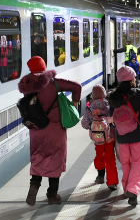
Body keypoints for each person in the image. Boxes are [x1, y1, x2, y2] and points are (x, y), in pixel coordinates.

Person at [18, 56, 82, 206]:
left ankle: (34, 187)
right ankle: (52, 195)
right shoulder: (53, 83)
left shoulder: (27, 86)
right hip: (55, 128)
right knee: (55, 158)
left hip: (36, 128)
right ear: (44, 66)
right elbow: (77, 87)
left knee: (38, 156)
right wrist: (75, 103)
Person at [108, 66, 140, 206]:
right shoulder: (137, 94)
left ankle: (126, 188)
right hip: (138, 135)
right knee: (137, 162)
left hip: (122, 136)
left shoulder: (113, 96)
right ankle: (133, 189)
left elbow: (111, 116)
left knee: (125, 163)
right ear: (132, 78)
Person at [82, 85, 118, 190]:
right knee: (110, 158)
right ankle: (112, 182)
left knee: (99, 156)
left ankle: (100, 176)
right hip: (110, 137)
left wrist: (90, 125)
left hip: (98, 138)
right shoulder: (110, 104)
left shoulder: (91, 106)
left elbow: (84, 124)